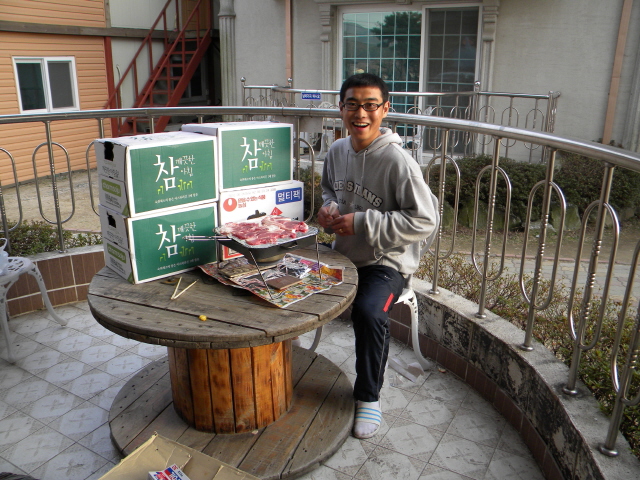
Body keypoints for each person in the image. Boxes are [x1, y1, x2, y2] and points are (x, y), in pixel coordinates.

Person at [317, 73, 438, 439]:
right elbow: (329, 191)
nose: (361, 113)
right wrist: (329, 208)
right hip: (344, 254)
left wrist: (363, 222)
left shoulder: (398, 161)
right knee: (284, 273)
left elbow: (425, 220)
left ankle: (368, 396)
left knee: (369, 313)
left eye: (370, 105)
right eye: (352, 104)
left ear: (385, 109)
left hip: (385, 262)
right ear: (341, 108)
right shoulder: (337, 151)